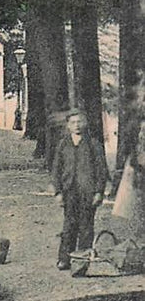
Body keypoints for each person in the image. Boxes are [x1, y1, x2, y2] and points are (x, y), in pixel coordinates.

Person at [51, 109, 108, 270]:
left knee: (86, 227)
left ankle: (82, 261)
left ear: (85, 123)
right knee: (69, 226)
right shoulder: (63, 144)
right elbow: (56, 170)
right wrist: (58, 192)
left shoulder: (93, 144)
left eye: (80, 122)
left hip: (87, 192)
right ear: (68, 125)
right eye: (73, 122)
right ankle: (65, 258)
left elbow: (101, 170)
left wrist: (98, 192)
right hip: (69, 191)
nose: (77, 125)